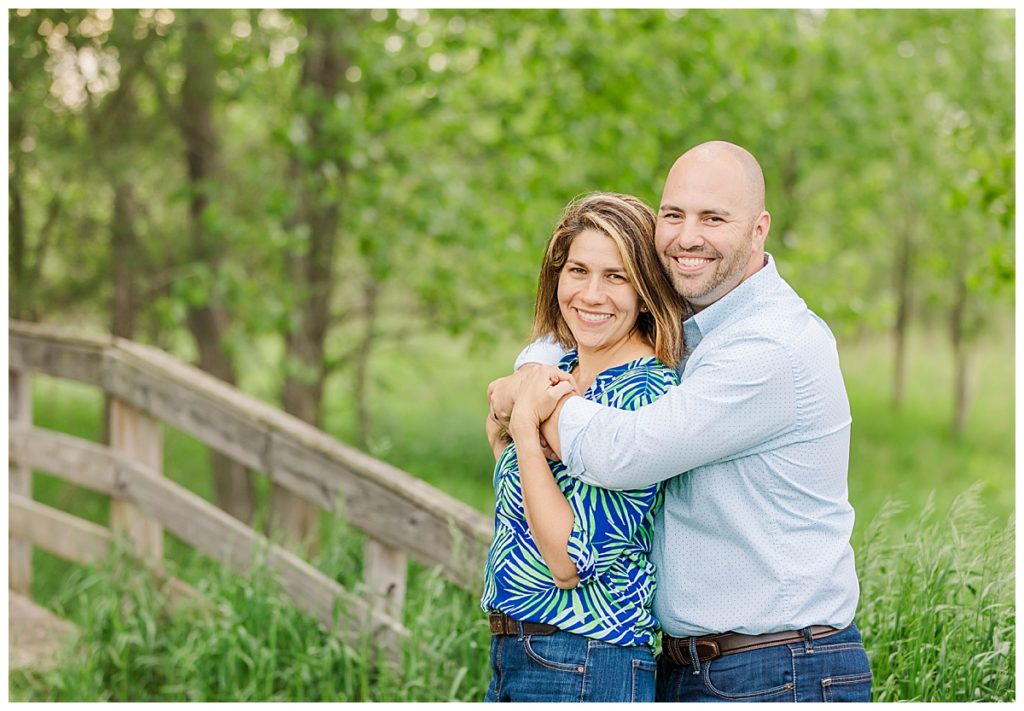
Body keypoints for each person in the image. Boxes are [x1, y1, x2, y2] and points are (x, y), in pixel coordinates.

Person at [489, 141, 873, 703]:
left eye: (713, 218)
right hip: (698, 664)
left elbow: (625, 451)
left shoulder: (769, 344)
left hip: (778, 666)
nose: (687, 236)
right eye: (673, 214)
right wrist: (526, 378)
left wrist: (526, 411)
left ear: (758, 228)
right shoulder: (698, 326)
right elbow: (568, 330)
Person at [480, 192, 686, 703]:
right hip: (519, 649)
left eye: (616, 276)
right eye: (578, 271)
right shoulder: (561, 369)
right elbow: (509, 467)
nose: (591, 294)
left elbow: (569, 561)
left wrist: (526, 432)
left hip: (586, 658)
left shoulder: (645, 394)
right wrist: (515, 417)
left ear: (645, 291)